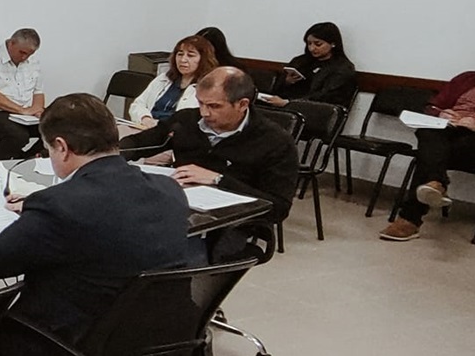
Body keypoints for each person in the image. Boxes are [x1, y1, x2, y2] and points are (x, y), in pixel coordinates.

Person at [0, 94, 197, 356]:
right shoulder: (168, 193)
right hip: (154, 350)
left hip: (75, 348)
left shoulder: (61, 206)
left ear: (61, 147)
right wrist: (40, 207)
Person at [380, 34, 475, 242]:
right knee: (428, 131)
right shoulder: (468, 79)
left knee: (434, 152)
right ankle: (436, 182)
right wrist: (440, 114)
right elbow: (432, 105)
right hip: (451, 131)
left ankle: (410, 219)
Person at [139, 67, 299, 225]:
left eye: (214, 106)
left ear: (242, 105)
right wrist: (115, 152)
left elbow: (278, 208)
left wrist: (219, 180)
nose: (204, 113)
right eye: (200, 103)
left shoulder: (275, 141)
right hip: (177, 206)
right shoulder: (186, 119)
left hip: (231, 223)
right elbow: (142, 142)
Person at [0, 28, 46, 159]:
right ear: (11, 43)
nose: (25, 57)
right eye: (22, 52)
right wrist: (22, 110)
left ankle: (25, 159)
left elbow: (38, 92)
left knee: (57, 128)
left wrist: (38, 110)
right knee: (18, 135)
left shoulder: (33, 62)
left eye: (29, 54)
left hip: (26, 114)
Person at [126, 34, 217, 129]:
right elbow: (138, 104)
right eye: (180, 54)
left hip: (173, 136)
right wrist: (145, 118)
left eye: (190, 55)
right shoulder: (163, 79)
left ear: (203, 59)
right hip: (146, 128)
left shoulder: (208, 88)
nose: (183, 60)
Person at [261, 21, 358, 110]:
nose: (312, 48)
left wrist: (289, 103)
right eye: (309, 43)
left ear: (333, 44)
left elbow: (326, 96)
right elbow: (278, 87)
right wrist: (287, 81)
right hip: (284, 104)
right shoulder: (300, 61)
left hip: (313, 111)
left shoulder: (343, 68)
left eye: (318, 44)